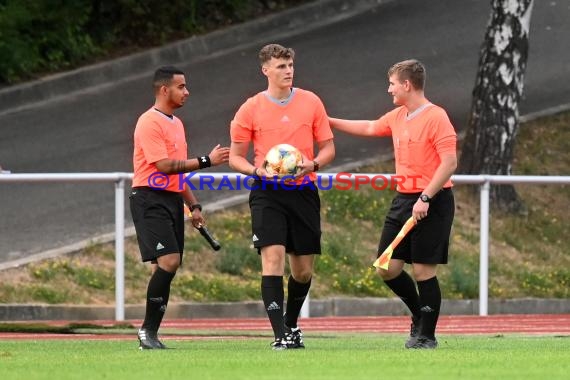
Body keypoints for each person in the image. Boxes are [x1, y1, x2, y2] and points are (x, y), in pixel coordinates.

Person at [329, 59, 457, 349]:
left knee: (424, 270)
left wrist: (426, 197)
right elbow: (371, 126)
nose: (389, 90)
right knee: (386, 267)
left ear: (407, 85)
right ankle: (417, 315)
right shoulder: (400, 115)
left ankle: (427, 336)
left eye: (392, 84)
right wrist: (328, 121)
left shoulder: (437, 117)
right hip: (403, 200)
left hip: (433, 201)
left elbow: (449, 163)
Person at [229, 44, 335, 350]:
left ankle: (290, 323)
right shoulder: (250, 108)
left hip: (303, 190)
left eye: (290, 65)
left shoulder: (311, 102)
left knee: (303, 271)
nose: (288, 71)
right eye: (280, 66)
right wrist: (256, 171)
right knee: (272, 258)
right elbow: (235, 157)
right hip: (267, 192)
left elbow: (328, 148)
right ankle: (280, 335)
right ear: (266, 70)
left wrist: (312, 164)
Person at [130, 66, 230, 350]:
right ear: (164, 90)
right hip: (149, 197)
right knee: (170, 262)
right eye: (181, 86)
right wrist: (207, 161)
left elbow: (177, 172)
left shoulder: (177, 123)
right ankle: (146, 331)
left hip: (171, 200)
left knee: (163, 267)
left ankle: (149, 335)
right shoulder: (149, 122)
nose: (187, 92)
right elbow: (162, 166)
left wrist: (193, 205)